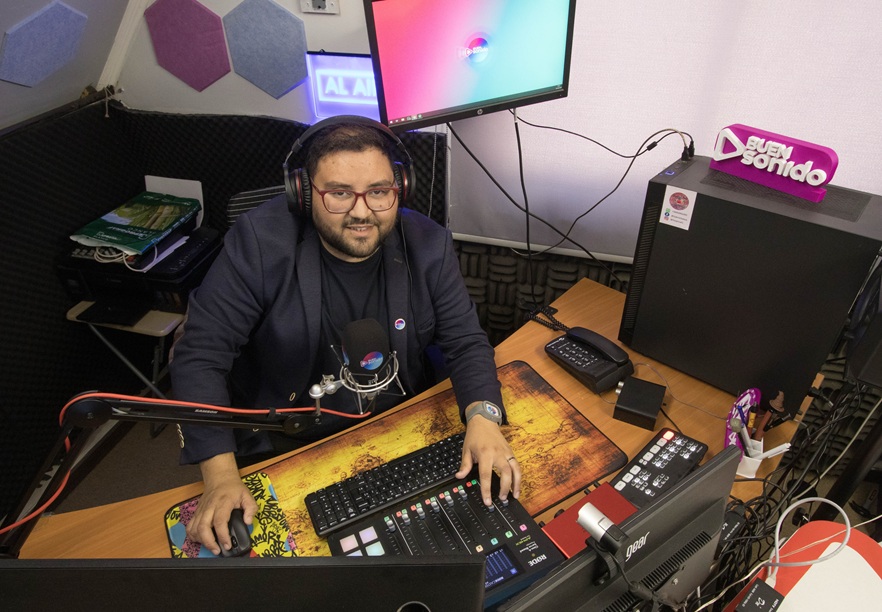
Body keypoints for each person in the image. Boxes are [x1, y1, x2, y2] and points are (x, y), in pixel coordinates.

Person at [169, 116, 521, 556]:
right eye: (339, 193)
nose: (361, 211)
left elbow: (466, 341)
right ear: (303, 194)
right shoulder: (259, 244)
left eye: (378, 191)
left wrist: (484, 418)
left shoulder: (428, 244)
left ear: (400, 189)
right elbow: (200, 356)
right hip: (292, 436)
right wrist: (220, 476)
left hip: (398, 427)